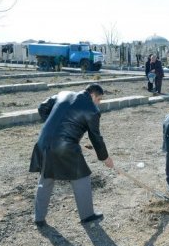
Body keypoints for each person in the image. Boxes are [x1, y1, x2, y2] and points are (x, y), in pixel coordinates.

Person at [29, 84, 115, 227]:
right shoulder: (92, 110)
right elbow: (96, 138)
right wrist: (105, 158)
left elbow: (42, 108)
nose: (99, 103)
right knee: (81, 177)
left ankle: (39, 218)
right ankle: (87, 215)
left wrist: (55, 128)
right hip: (64, 148)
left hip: (44, 141)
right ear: (93, 95)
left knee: (46, 178)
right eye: (99, 99)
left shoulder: (63, 94)